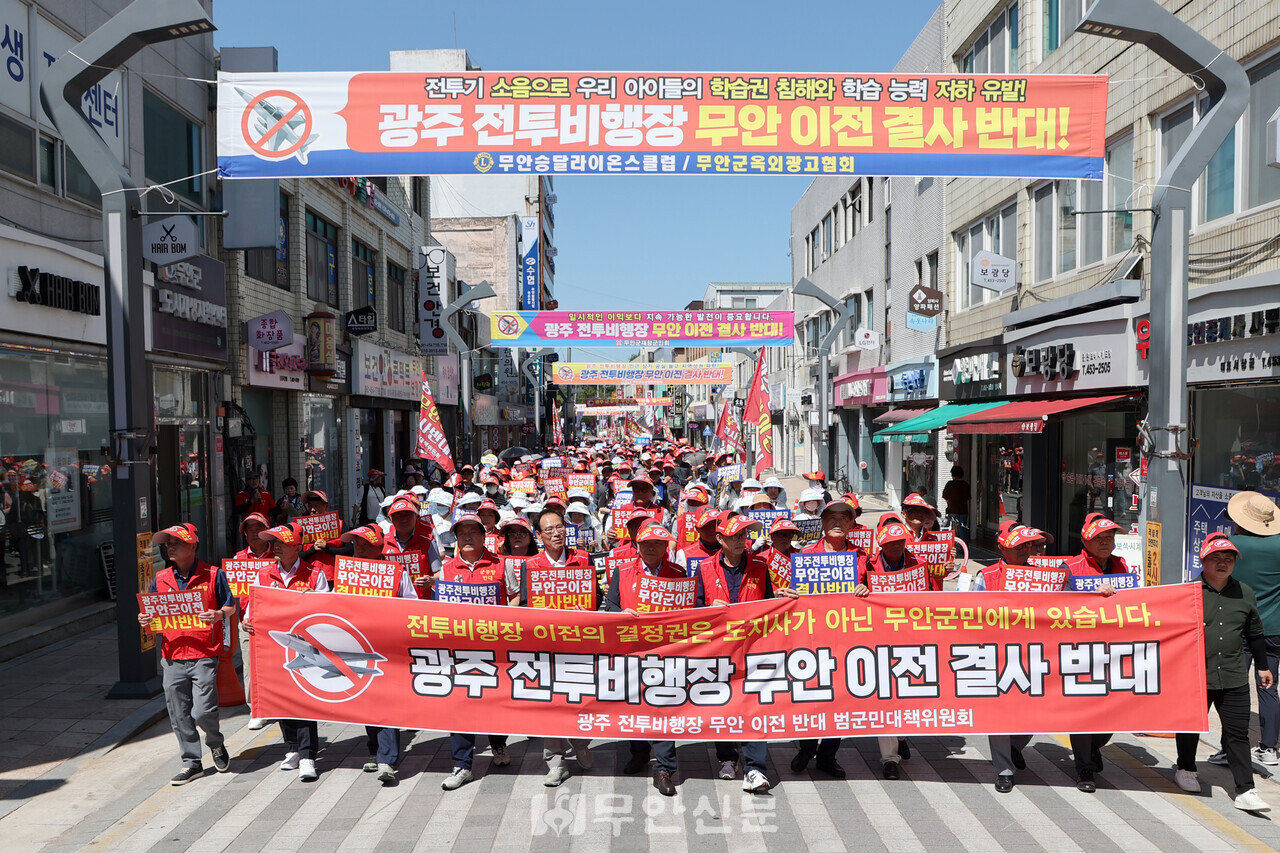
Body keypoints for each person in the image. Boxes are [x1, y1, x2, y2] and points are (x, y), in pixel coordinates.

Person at [695, 513, 801, 794]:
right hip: (718, 650)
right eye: (735, 536)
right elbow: (693, 609)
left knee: (754, 705)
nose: (742, 540)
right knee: (723, 703)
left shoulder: (759, 564)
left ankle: (755, 768)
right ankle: (727, 757)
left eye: (745, 535)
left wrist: (778, 599)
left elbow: (766, 602)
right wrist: (707, 608)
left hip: (753, 649)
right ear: (720, 539)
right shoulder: (704, 567)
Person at [1173, 533, 1273, 812]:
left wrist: (1263, 666)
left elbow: (1255, 633)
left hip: (1233, 674)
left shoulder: (1245, 592)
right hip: (1194, 674)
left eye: (1228, 559)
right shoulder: (1187, 591)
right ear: (1203, 560)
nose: (1222, 563)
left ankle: (1245, 789)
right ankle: (1186, 768)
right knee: (1191, 725)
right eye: (1216, 558)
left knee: (1237, 733)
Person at [137, 523, 235, 786]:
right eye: (168, 543)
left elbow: (230, 605)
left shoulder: (214, 574)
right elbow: (152, 613)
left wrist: (218, 614)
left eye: (177, 542)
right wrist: (145, 618)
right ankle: (191, 762)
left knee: (203, 712)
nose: (170, 547)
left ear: (193, 546)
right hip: (172, 654)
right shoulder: (161, 578)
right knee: (179, 712)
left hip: (203, 653)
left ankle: (215, 743)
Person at [607, 522, 695, 794]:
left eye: (658, 543)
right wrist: (622, 613)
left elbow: (690, 608)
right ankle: (639, 753)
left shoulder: (678, 572)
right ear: (637, 545)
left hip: (666, 652)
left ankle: (665, 768)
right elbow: (610, 604)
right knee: (635, 704)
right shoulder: (621, 571)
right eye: (646, 544)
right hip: (632, 650)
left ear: (666, 546)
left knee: (662, 705)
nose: (652, 548)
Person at [243, 522, 330, 781]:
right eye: (274, 542)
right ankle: (292, 748)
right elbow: (253, 607)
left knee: (303, 701)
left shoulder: (314, 574)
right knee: (281, 698)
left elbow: (326, 611)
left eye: (281, 543)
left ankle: (307, 755)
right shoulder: (263, 574)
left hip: (305, 647)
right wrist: (246, 620)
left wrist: (312, 597)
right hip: (274, 646)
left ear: (297, 547)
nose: (276, 547)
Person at [440, 512, 518, 790]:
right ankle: (462, 765)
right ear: (456, 539)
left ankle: (498, 744)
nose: (468, 537)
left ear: (485, 537)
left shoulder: (501, 564)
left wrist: (502, 620)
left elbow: (515, 595)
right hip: (460, 651)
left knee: (494, 701)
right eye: (462, 534)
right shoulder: (447, 569)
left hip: (495, 648)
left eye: (473, 532)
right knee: (460, 705)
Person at [969, 524, 1045, 792]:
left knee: (1038, 710)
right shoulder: (986, 576)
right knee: (1000, 714)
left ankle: (1013, 747)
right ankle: (1004, 770)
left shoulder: (1043, 576)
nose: (1026, 550)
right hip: (998, 655)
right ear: (1002, 549)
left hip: (1035, 654)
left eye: (1028, 546)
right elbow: (971, 617)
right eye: (1018, 546)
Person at [524, 506, 595, 785]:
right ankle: (555, 761)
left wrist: (584, 609)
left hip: (578, 646)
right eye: (549, 530)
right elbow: (528, 607)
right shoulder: (530, 565)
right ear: (539, 535)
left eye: (560, 527)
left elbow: (596, 599)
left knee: (580, 699)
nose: (556, 533)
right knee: (551, 703)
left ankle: (580, 742)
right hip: (546, 647)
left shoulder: (583, 559)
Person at [342, 524, 417, 785]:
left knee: (386, 703)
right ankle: (375, 750)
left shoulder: (396, 573)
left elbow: (412, 606)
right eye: (355, 544)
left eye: (364, 544)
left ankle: (388, 759)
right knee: (367, 701)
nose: (358, 549)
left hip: (387, 650)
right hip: (356, 649)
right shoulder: (347, 572)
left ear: (379, 546)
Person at [1069, 512, 1129, 792]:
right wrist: (1094, 594)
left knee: (1115, 709)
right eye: (1099, 538)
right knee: (1082, 711)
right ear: (1084, 539)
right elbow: (1060, 605)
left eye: (1110, 537)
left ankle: (1094, 746)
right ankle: (1084, 769)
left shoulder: (1121, 565)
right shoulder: (1071, 567)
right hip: (1081, 649)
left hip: (1116, 649)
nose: (1106, 543)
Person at [1219, 491, 1280, 768]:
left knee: (1232, 689)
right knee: (1269, 686)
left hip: (1238, 627)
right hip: (1274, 629)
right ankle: (1269, 748)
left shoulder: (1231, 545)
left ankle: (1227, 748)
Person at [383, 496, 442, 598]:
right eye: (398, 515)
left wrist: (431, 580)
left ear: (416, 516)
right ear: (391, 518)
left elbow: (440, 574)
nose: (404, 519)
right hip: (392, 602)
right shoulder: (384, 541)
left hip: (420, 603)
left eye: (408, 515)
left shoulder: (427, 540)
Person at [941, 466, 971, 540]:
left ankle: (950, 547)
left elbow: (945, 496)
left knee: (950, 530)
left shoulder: (950, 484)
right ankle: (964, 548)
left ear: (952, 474)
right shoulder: (965, 484)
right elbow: (968, 497)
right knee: (963, 530)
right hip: (963, 511)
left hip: (952, 510)